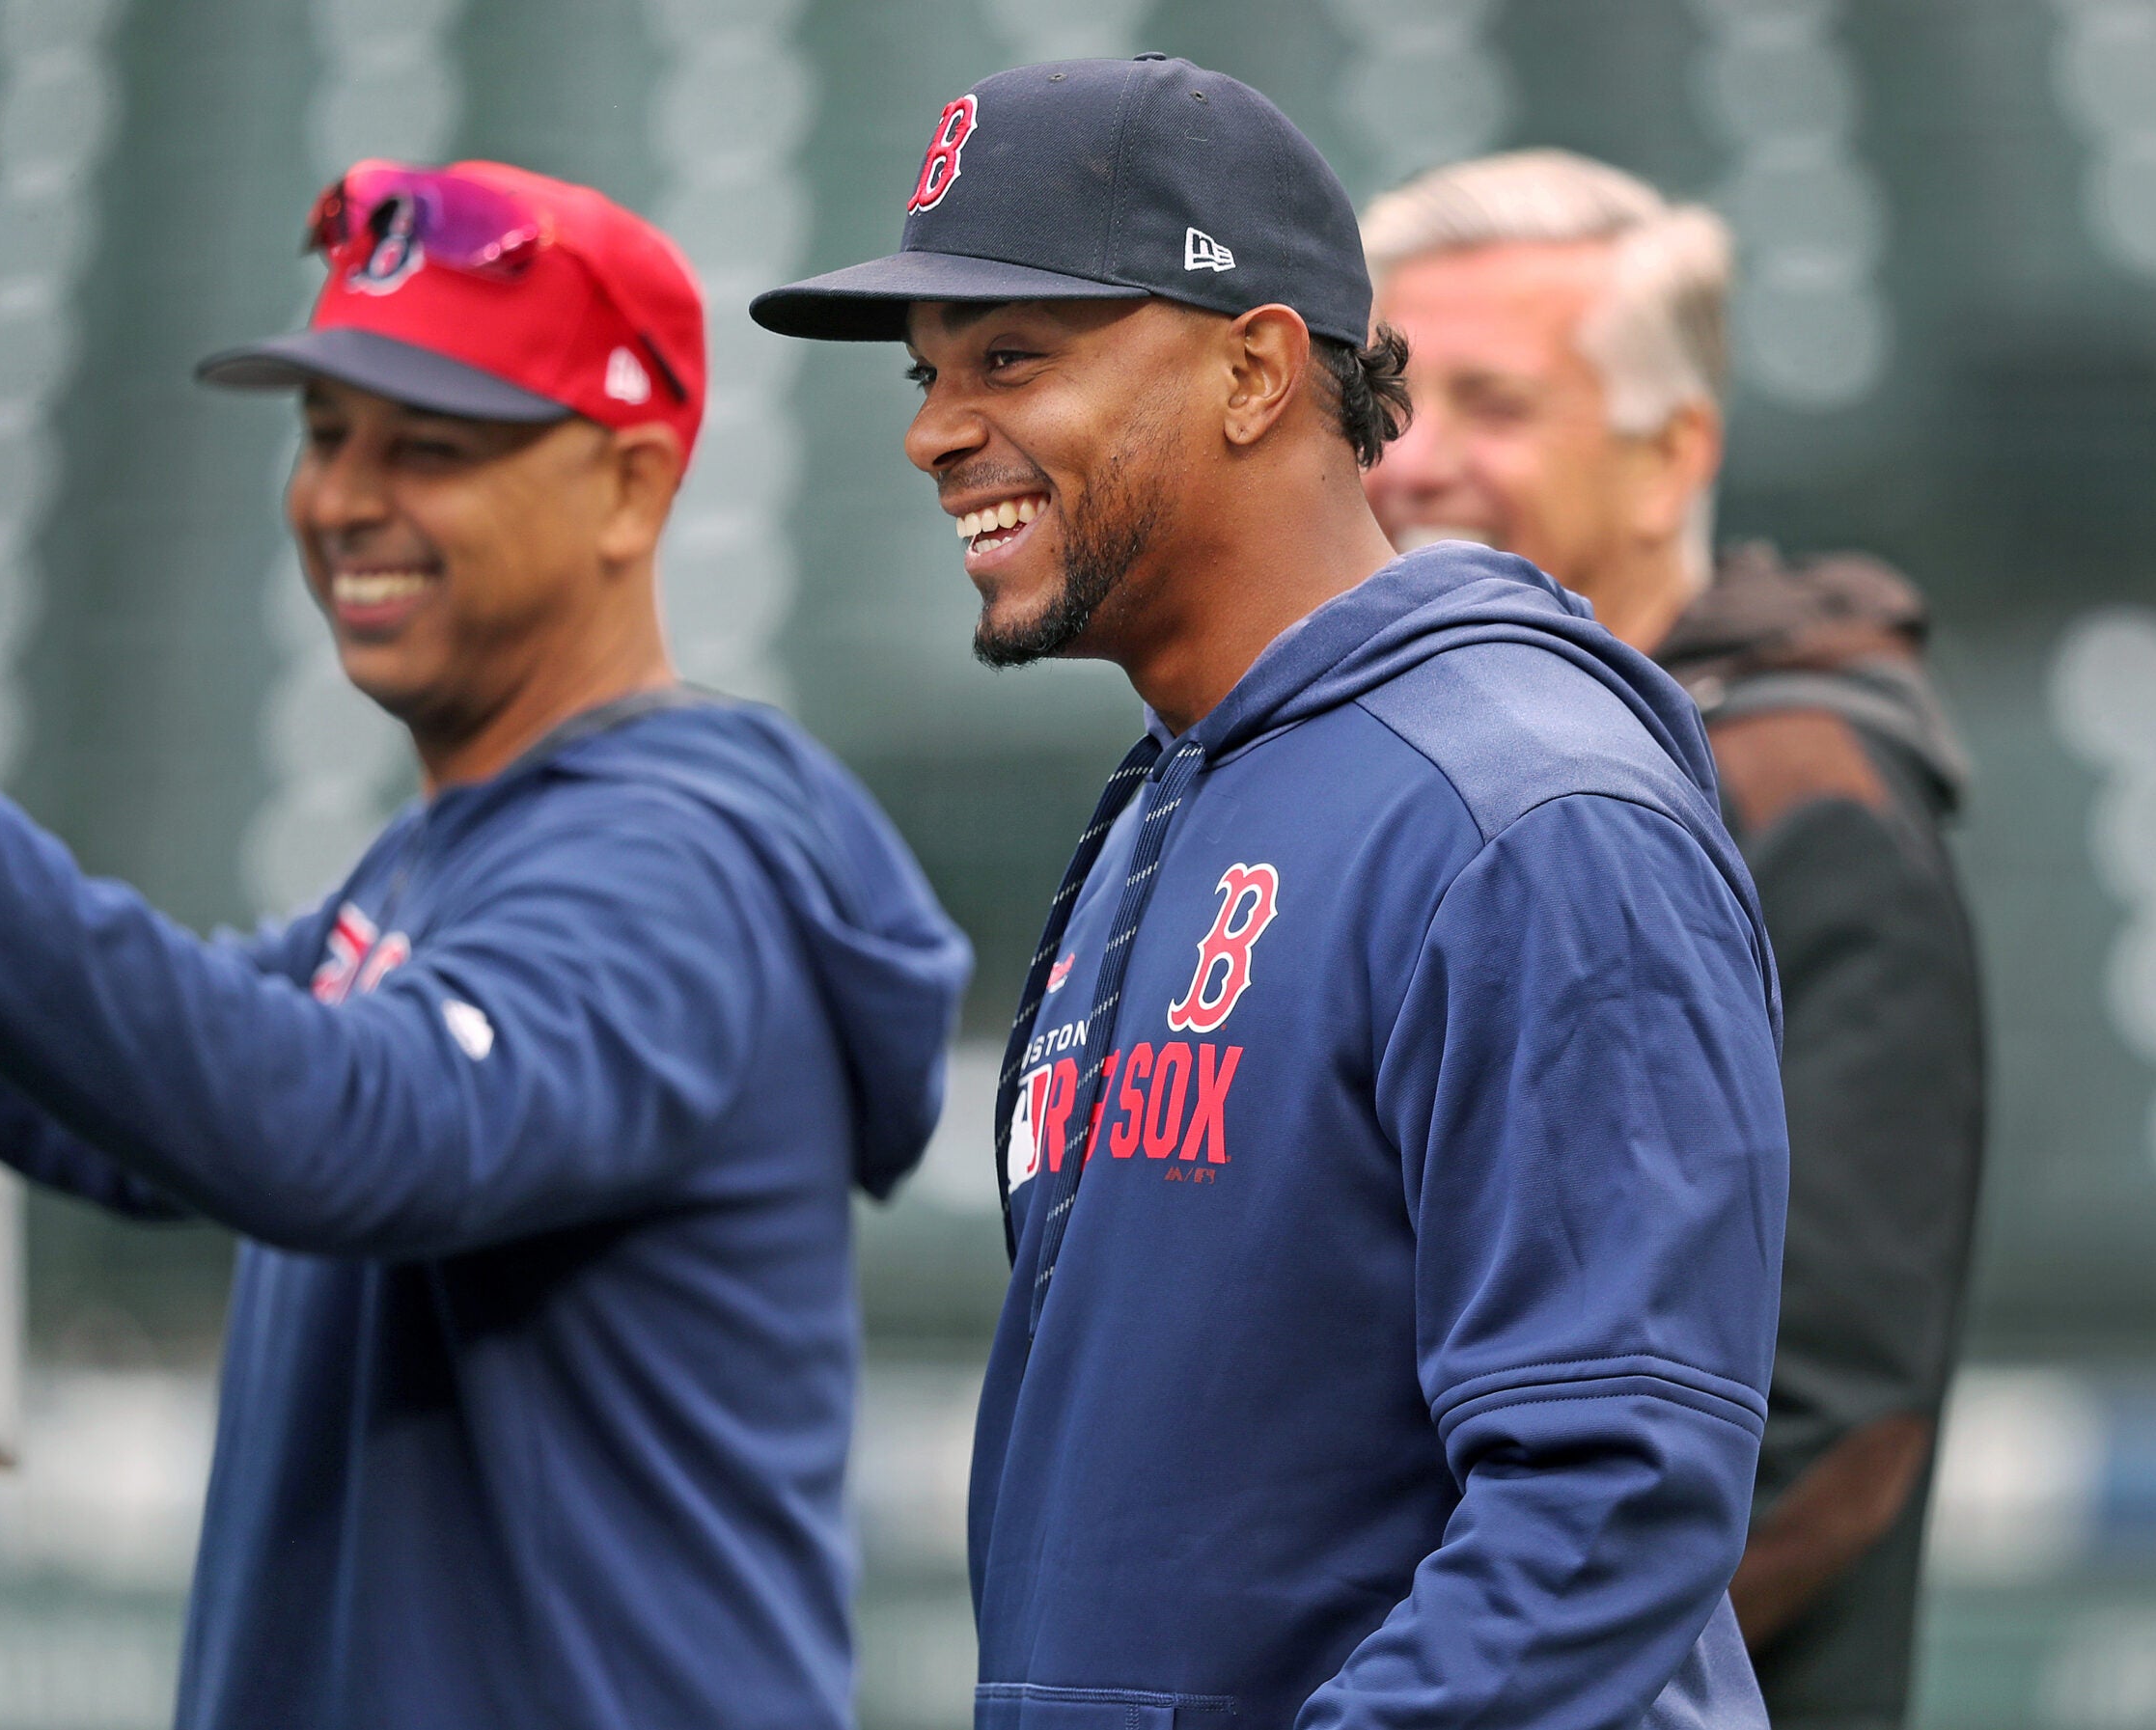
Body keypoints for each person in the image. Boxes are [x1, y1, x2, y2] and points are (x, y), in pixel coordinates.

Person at [0, 159, 970, 1729]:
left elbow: (336, 1130)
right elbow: (156, 1105)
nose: (346, 496)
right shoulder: (472, 845)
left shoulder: (668, 857)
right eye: (325, 434)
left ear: (629, 487)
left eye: (430, 446)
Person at [755, 57, 1786, 1730]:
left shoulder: (1531, 813)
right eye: (932, 370)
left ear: (1253, 368)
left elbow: (1606, 1498)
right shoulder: (1184, 786)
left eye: (1011, 357)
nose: (933, 429)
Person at [1361, 150, 1985, 1729]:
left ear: (1671, 455)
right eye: (1384, 404)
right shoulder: (1385, 766)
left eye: (1495, 407)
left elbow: (1825, 1421)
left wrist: (1462, 1678)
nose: (1413, 463)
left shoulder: (1800, 795)